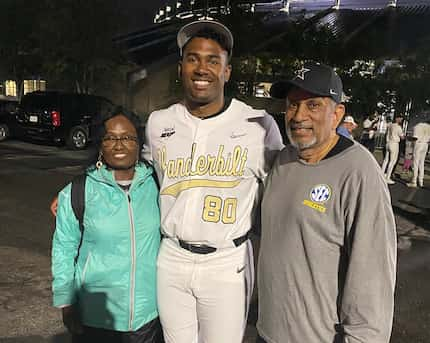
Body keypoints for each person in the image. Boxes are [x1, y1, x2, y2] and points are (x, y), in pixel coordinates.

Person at [143, 20, 283, 343]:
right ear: (180, 68)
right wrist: (78, 192)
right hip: (172, 257)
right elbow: (141, 172)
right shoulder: (159, 123)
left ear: (227, 72)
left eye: (212, 60)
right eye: (193, 58)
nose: (201, 68)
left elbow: (285, 185)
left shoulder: (258, 126)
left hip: (226, 261)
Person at [257, 61, 397, 343]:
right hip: (267, 333)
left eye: (313, 105)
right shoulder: (284, 160)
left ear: (337, 114)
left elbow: (373, 279)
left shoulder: (359, 172)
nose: (298, 116)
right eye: (293, 105)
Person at [51, 108, 164, 343]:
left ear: (139, 144)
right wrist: (66, 301)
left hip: (147, 316)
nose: (119, 144)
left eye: (127, 138)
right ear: (100, 145)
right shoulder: (78, 191)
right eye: (110, 137)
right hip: (95, 316)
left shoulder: (157, 185)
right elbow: (63, 248)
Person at [381, 114, 404, 184]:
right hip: (394, 143)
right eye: (400, 118)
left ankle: (381, 174)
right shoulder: (398, 127)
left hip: (388, 143)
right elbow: (402, 137)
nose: (401, 119)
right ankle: (387, 177)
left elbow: (386, 134)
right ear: (397, 119)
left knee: (386, 160)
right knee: (392, 161)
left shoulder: (390, 125)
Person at [407, 120, 430, 188]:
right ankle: (421, 181)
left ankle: (414, 181)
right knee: (422, 164)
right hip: (425, 145)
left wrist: (409, 138)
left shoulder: (417, 126)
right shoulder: (429, 127)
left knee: (416, 163)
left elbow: (415, 138)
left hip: (418, 144)